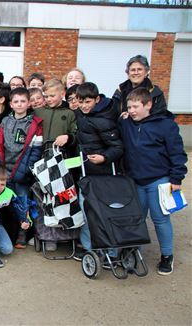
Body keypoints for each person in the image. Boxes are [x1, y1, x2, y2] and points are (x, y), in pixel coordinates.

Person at [119, 88, 187, 275]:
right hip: (135, 180)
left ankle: (167, 256)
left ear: (148, 104)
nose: (131, 110)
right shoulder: (126, 123)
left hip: (159, 180)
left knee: (160, 219)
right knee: (137, 218)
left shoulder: (165, 125)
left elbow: (177, 153)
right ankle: (134, 251)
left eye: (135, 106)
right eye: (129, 106)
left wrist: (176, 177)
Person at [73, 82, 123, 261]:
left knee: (106, 215)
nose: (84, 105)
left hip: (106, 176)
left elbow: (117, 147)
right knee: (86, 214)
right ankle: (90, 251)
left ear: (97, 99)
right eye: (81, 102)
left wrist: (104, 158)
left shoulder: (105, 118)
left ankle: (112, 252)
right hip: (86, 174)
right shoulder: (79, 115)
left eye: (88, 101)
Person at [0, 87, 43, 248]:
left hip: (22, 170)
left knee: (23, 203)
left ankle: (23, 233)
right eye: (16, 101)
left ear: (28, 104)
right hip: (5, 169)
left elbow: (36, 150)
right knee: (4, 203)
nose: (19, 104)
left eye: (23, 101)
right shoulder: (5, 122)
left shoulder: (34, 124)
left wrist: (27, 169)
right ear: (11, 104)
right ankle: (6, 232)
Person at [33, 79, 76, 251]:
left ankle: (66, 234)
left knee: (62, 198)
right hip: (40, 159)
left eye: (52, 96)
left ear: (62, 94)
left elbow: (76, 133)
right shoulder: (38, 111)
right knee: (43, 200)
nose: (49, 99)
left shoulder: (70, 113)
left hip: (62, 160)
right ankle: (46, 235)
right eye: (46, 96)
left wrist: (69, 137)